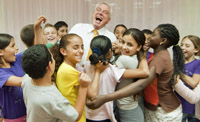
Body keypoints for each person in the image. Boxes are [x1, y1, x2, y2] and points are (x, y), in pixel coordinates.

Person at [87, 24, 185, 122]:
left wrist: (105, 98)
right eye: (122, 42)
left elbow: (141, 84)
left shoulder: (159, 58)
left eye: (154, 35)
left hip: (164, 111)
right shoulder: (156, 55)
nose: (150, 37)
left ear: (163, 41)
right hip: (154, 108)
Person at [84, 35, 149, 122]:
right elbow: (144, 72)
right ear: (110, 52)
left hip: (87, 114)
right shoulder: (113, 71)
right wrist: (142, 54)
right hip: (104, 116)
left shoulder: (86, 65)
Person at [21, 44, 90, 122]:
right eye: (53, 58)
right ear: (50, 65)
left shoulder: (27, 79)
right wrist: (83, 87)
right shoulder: (53, 99)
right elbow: (75, 116)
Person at [50, 34, 94, 122]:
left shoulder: (65, 67)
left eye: (82, 47)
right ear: (63, 51)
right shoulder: (69, 71)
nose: (81, 51)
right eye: (75, 48)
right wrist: (98, 72)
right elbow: (93, 95)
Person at [114, 28, 146, 122]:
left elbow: (108, 73)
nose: (124, 47)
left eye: (129, 44)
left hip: (129, 111)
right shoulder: (136, 57)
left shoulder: (124, 59)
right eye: (122, 42)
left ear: (139, 47)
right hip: (131, 108)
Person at [0, 34, 26, 122]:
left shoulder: (17, 59)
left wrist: (37, 28)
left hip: (28, 112)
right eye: (12, 46)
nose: (17, 48)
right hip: (13, 118)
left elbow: (36, 50)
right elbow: (20, 82)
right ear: (0, 52)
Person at [175, 35, 200, 122]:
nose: (182, 47)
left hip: (194, 109)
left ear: (196, 49)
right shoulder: (176, 63)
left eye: (187, 46)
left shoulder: (198, 64)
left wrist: (178, 72)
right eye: (181, 45)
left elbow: (193, 83)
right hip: (178, 108)